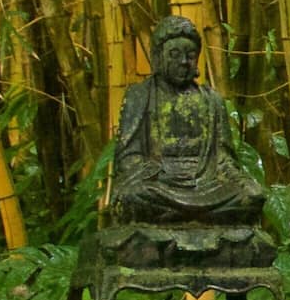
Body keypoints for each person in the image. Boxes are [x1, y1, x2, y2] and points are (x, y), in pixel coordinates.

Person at [109, 16, 263, 225]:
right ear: (158, 57)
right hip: (160, 184)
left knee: (250, 196)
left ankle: (188, 217)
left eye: (190, 56)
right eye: (174, 54)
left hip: (206, 184)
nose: (183, 62)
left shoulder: (212, 100)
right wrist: (157, 175)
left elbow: (224, 158)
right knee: (133, 196)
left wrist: (238, 180)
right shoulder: (140, 96)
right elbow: (128, 156)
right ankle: (192, 217)